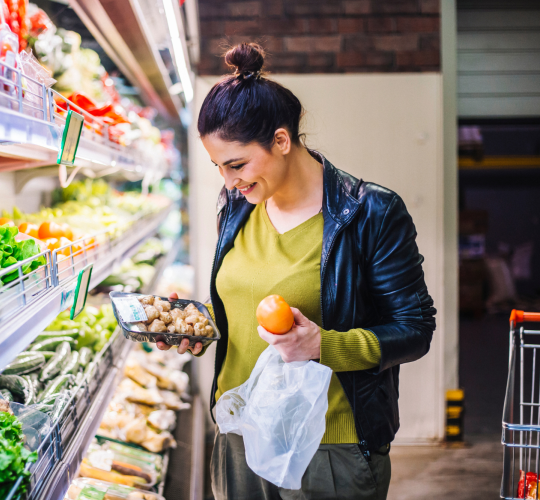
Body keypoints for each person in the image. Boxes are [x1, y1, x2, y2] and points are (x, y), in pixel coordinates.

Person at [156, 42, 436, 500]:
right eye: (218, 168)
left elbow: (415, 329)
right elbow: (247, 299)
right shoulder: (238, 207)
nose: (229, 181)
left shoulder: (371, 213)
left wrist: (322, 345)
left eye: (237, 164)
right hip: (239, 432)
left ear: (282, 141)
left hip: (327, 447)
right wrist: (201, 322)